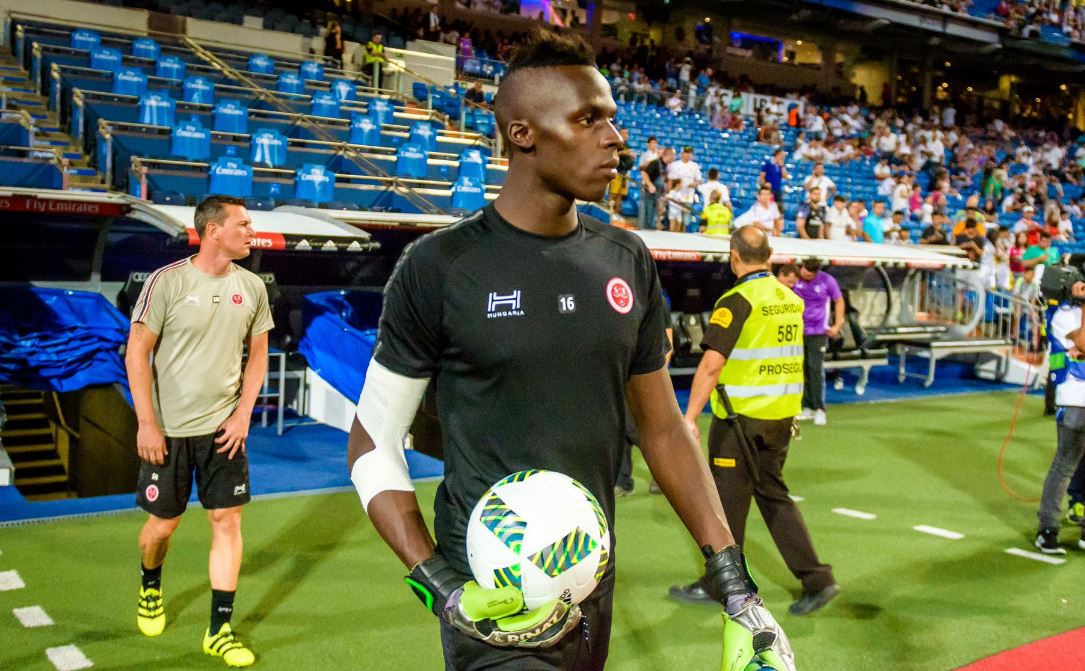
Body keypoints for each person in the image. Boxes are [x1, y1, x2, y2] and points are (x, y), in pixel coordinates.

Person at [345, 31, 794, 671]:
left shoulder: (625, 258)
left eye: (611, 118)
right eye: (588, 120)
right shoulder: (440, 267)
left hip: (590, 574)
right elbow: (371, 441)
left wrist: (735, 583)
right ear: (523, 133)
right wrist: (440, 587)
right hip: (489, 595)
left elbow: (662, 428)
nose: (615, 138)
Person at [127, 195, 273, 668]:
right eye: (243, 224)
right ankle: (151, 586)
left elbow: (259, 358)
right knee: (161, 528)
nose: (251, 231)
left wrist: (243, 414)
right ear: (213, 230)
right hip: (166, 433)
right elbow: (137, 354)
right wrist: (147, 423)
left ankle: (220, 629)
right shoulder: (165, 282)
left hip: (223, 432)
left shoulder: (252, 287)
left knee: (227, 523)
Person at [668, 228, 838, 617]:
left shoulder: (737, 300)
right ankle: (818, 579)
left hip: (740, 421)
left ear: (734, 257)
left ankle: (720, 585)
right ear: (770, 255)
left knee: (724, 505)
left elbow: (711, 366)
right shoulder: (789, 298)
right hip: (780, 418)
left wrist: (689, 418)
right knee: (773, 497)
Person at [1035, 278, 1085, 554]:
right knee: (1065, 465)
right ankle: (1048, 529)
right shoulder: (1062, 315)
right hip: (1075, 400)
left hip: (1076, 398)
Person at [792, 258, 844, 426]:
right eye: (804, 271)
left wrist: (837, 325)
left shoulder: (827, 280)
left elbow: (839, 300)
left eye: (809, 273)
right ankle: (806, 406)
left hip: (818, 332)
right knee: (801, 369)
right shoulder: (795, 278)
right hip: (797, 331)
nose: (804, 274)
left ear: (815, 273)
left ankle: (820, 409)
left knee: (815, 369)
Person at [639, 141, 668, 230]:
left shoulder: (664, 165)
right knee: (648, 214)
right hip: (649, 192)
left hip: (657, 194)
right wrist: (650, 185)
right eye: (660, 152)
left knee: (655, 214)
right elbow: (643, 172)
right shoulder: (654, 162)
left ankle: (653, 227)